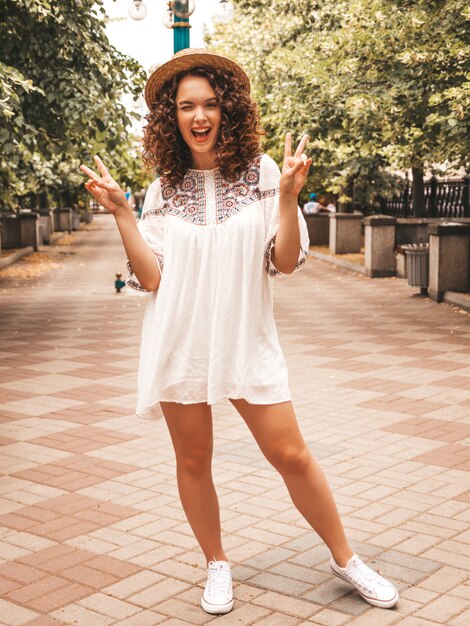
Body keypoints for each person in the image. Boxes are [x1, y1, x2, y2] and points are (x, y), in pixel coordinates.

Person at [80, 48, 399, 616]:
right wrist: (123, 216)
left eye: (208, 104)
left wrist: (286, 200)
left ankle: (346, 558)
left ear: (227, 110)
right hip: (179, 338)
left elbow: (284, 261)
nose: (198, 116)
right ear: (170, 118)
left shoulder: (262, 174)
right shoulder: (161, 189)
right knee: (194, 460)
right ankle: (217, 564)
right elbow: (151, 278)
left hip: (246, 337)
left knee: (292, 454)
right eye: (185, 106)